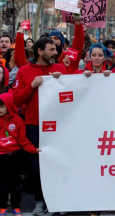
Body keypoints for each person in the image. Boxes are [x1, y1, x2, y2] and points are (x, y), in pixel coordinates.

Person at [13, 37, 66, 215]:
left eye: (55, 49)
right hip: (34, 126)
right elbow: (17, 99)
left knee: (59, 162)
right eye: (51, 49)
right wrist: (32, 86)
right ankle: (40, 201)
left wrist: (61, 82)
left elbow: (72, 92)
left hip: (59, 126)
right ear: (39, 51)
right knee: (37, 166)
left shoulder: (60, 69)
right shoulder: (24, 71)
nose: (56, 52)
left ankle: (59, 199)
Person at [0, 93, 40, 216]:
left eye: (2, 106)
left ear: (9, 106)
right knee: (1, 183)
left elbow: (23, 140)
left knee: (15, 184)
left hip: (15, 156)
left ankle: (16, 206)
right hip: (1, 156)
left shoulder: (17, 121)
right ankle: (2, 206)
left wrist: (34, 149)